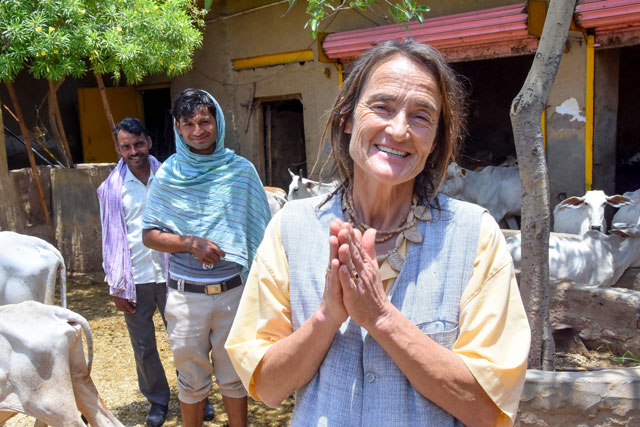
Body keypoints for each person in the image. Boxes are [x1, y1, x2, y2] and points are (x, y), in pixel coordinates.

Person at [225, 40, 531, 426]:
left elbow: (487, 409)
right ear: (347, 117)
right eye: (382, 107)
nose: (399, 130)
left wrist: (382, 318)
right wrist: (326, 315)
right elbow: (267, 389)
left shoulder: (475, 236)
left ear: (436, 140)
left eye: (421, 116)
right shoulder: (291, 229)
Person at [142, 89, 271, 427]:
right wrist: (190, 243)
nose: (198, 130)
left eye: (204, 121)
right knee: (191, 380)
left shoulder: (240, 172)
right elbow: (149, 234)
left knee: (235, 375)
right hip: (186, 299)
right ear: (177, 128)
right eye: (189, 124)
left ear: (218, 122)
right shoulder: (169, 176)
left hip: (234, 295)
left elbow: (264, 234)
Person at [98, 118, 214, 426]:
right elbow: (109, 238)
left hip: (175, 273)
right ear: (118, 148)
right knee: (144, 345)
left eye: (138, 144)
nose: (133, 151)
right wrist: (115, 286)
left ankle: (198, 394)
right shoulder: (111, 189)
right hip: (134, 279)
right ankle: (158, 400)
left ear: (149, 142)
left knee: (187, 339)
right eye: (126, 146)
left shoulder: (172, 178)